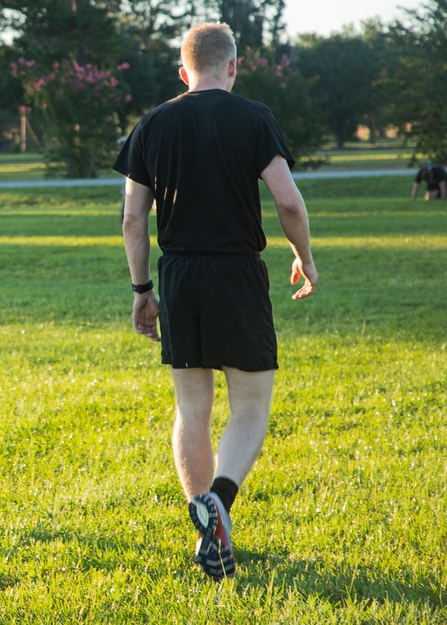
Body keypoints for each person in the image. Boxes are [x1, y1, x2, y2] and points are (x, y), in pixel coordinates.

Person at [113, 22, 318, 581]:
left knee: (192, 408)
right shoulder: (254, 117)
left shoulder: (152, 124)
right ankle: (220, 500)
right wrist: (304, 254)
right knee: (250, 405)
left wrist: (141, 291)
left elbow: (133, 218)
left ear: (183, 71)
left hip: (178, 275)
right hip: (237, 273)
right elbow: (289, 204)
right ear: (233, 66)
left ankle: (206, 525)